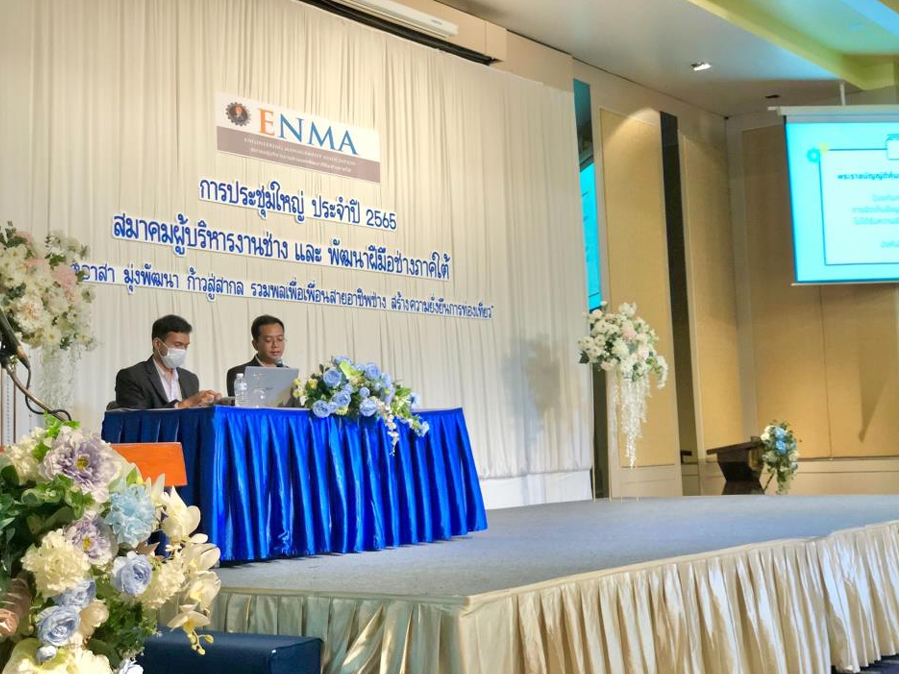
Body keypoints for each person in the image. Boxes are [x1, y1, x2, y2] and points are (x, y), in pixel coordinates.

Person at [113, 315, 221, 409]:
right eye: (177, 345)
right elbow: (136, 420)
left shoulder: (190, 379)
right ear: (157, 344)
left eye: (186, 346)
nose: (182, 351)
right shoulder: (131, 377)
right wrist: (185, 404)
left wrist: (210, 406)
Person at [226, 315, 288, 396]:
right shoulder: (240, 373)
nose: (275, 345)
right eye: (268, 340)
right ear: (255, 344)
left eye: (280, 339)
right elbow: (237, 403)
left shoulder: (288, 373)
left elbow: (296, 403)